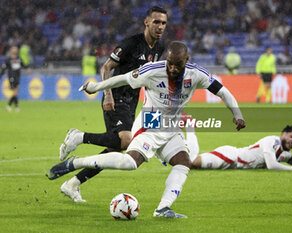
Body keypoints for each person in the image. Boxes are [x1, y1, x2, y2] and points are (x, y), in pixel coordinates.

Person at [47, 41, 246, 218]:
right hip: (151, 122)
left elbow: (222, 91)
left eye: (178, 64)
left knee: (184, 162)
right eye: (170, 63)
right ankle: (75, 163)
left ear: (187, 59)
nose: (173, 68)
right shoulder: (153, 70)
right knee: (131, 163)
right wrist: (97, 87)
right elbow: (122, 78)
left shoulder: (197, 74)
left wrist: (237, 114)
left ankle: (163, 209)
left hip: (170, 127)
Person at [57, 6, 168, 203]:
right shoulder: (131, 44)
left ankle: (73, 184)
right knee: (125, 141)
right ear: (147, 22)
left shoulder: (159, 49)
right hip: (116, 96)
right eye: (156, 22)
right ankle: (79, 137)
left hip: (132, 100)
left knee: (114, 149)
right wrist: (106, 94)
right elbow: (106, 67)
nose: (160, 26)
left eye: (163, 23)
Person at [189, 125, 292, 170]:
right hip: (230, 156)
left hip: (232, 164)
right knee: (190, 162)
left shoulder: (285, 154)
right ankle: (189, 128)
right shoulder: (271, 141)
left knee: (190, 163)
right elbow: (271, 165)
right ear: (283, 134)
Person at [0, 46, 28, 112]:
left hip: (17, 77)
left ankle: (10, 106)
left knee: (15, 92)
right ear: (11, 51)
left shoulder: (19, 59)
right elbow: (3, 69)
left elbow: (23, 65)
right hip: (11, 77)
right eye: (14, 49)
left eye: (16, 49)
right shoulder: (8, 60)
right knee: (15, 92)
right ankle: (16, 106)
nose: (15, 50)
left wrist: (28, 67)